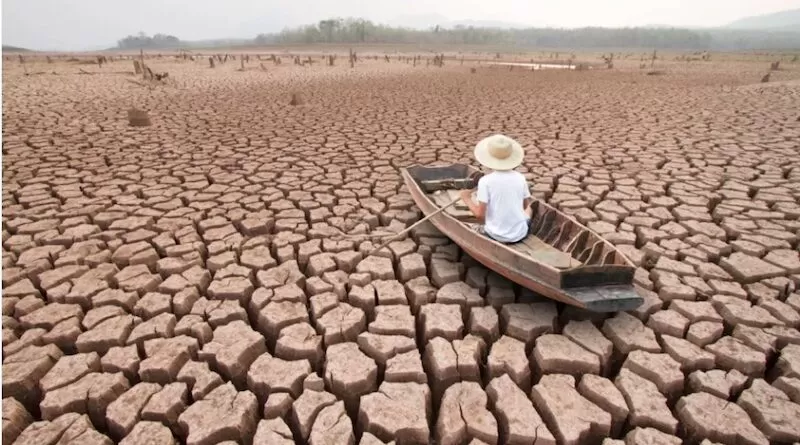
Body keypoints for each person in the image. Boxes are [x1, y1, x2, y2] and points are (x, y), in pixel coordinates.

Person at [459, 134, 532, 244]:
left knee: (474, 226)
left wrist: (466, 198)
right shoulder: (520, 177)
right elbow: (525, 206)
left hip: (495, 235)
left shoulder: (485, 181)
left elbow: (480, 215)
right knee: (530, 209)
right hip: (520, 233)